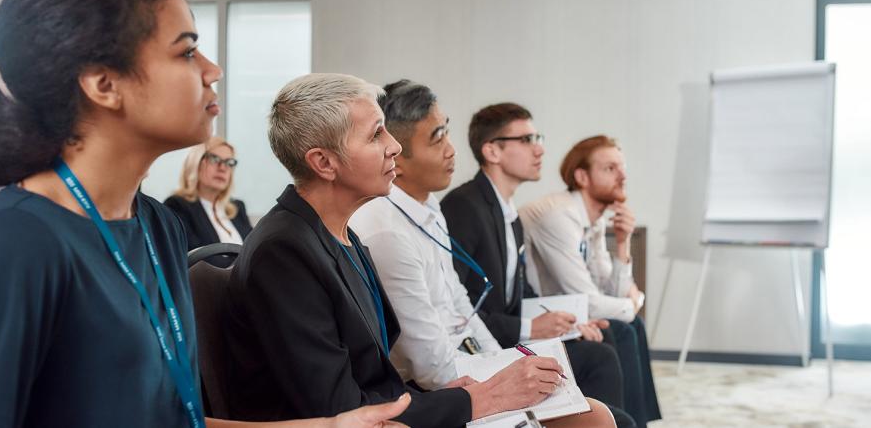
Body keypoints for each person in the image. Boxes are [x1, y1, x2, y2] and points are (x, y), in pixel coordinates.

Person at [0, 0, 409, 428]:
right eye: (186, 52)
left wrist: (325, 427)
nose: (213, 71)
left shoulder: (157, 224)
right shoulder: (17, 239)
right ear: (104, 84)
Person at [223, 73, 615, 428]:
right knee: (591, 420)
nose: (394, 146)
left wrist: (466, 392)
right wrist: (476, 399)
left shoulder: (339, 233)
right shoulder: (285, 252)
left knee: (591, 414)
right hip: (365, 420)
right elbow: (340, 409)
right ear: (324, 162)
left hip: (390, 407)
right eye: (377, 134)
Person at [350, 81, 634, 428]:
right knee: (602, 413)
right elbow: (430, 366)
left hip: (470, 358)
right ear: (398, 156)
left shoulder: (431, 207)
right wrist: (503, 380)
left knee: (603, 400)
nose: (452, 150)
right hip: (442, 386)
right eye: (437, 138)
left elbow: (461, 301)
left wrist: (499, 361)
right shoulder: (395, 228)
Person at [440, 104, 632, 418]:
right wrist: (532, 327)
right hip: (483, 344)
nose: (539, 148)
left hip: (507, 331)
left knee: (603, 334)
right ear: (493, 151)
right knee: (601, 357)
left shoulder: (509, 213)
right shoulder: (465, 206)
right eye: (527, 140)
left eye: (537, 137)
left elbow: (521, 293)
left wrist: (568, 321)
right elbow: (460, 307)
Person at [519, 135, 661, 427]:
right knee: (623, 326)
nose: (623, 176)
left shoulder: (593, 221)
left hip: (567, 311)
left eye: (622, 168)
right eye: (610, 168)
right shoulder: (559, 215)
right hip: (533, 316)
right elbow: (589, 300)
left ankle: (636, 422)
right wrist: (632, 303)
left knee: (631, 324)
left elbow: (607, 290)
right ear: (582, 177)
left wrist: (623, 244)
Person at [165, 136, 254, 251]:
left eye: (229, 162)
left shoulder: (238, 208)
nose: (223, 168)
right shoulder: (177, 206)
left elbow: (254, 253)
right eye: (214, 159)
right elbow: (195, 259)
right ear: (195, 163)